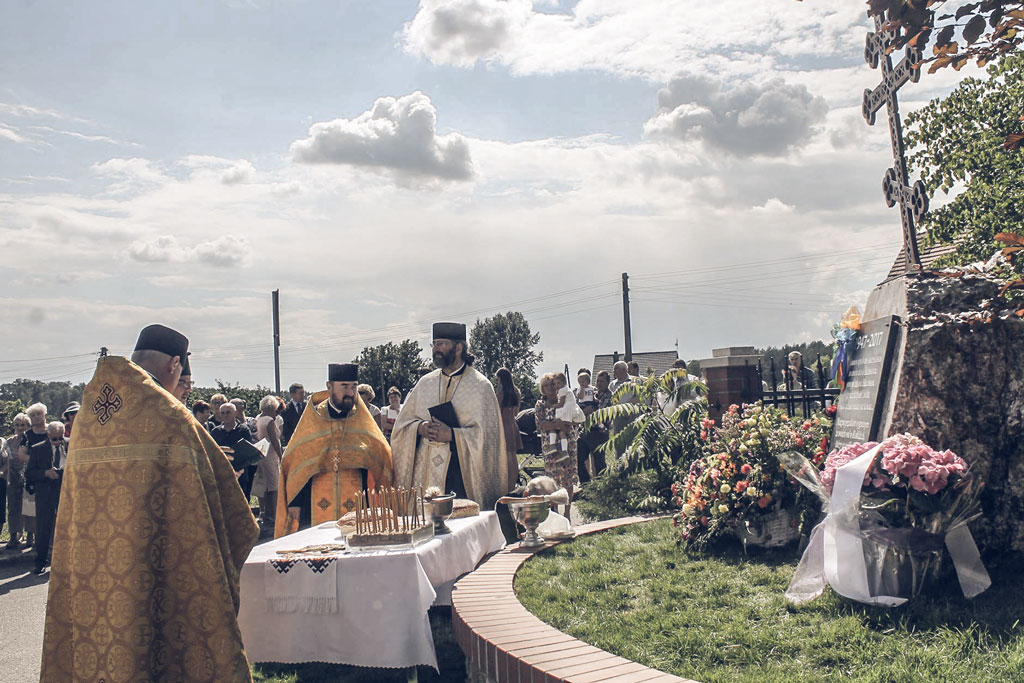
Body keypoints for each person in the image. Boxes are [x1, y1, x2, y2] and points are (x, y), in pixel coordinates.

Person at [40, 323, 258, 682]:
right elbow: (234, 515)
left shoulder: (88, 419)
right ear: (175, 365)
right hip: (154, 567)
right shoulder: (171, 416)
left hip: (89, 574)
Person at [391, 322, 509, 509]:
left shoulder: (480, 386)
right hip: (425, 473)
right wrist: (420, 428)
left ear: (459, 347)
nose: (436, 349)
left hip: (460, 473)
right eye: (434, 344)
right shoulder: (425, 383)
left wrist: (453, 435)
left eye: (441, 344)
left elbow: (489, 439)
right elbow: (401, 425)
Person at [275, 363, 393, 537]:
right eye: (344, 386)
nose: (350, 392)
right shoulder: (314, 420)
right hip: (315, 504)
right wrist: (295, 504)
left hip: (358, 501)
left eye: (354, 387)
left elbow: (381, 458)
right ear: (329, 387)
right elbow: (297, 464)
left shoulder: (361, 420)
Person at [534, 373, 579, 518]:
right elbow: (540, 424)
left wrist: (564, 424)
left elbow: (574, 417)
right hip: (550, 445)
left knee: (567, 477)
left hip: (567, 442)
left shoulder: (565, 399)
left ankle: (567, 511)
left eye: (552, 384)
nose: (550, 388)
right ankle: (555, 512)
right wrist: (555, 424)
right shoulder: (540, 404)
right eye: (546, 385)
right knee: (553, 479)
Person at [25, 421, 67, 574]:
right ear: (48, 436)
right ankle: (40, 561)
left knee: (67, 527)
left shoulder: (70, 445)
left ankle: (66, 560)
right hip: (45, 493)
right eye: (53, 439)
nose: (57, 442)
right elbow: (29, 473)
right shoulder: (37, 449)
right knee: (43, 527)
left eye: (60, 438)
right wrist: (45, 473)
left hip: (65, 492)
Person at [19, 402, 49, 548]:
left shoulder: (53, 431)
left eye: (39, 414)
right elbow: (21, 454)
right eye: (33, 415)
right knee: (32, 508)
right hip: (33, 475)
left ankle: (49, 539)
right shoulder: (27, 435)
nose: (36, 417)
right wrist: (37, 462)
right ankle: (33, 538)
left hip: (51, 475)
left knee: (50, 507)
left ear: (45, 414)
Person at [211, 402, 256, 499]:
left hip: (241, 472)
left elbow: (248, 450)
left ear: (235, 413)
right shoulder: (215, 432)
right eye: (222, 413)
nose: (225, 415)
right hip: (221, 473)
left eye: (228, 412)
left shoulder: (243, 430)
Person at [254, 395, 282, 532]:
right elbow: (275, 440)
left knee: (266, 486)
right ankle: (275, 514)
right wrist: (281, 455)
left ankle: (267, 513)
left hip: (263, 454)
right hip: (271, 455)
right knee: (274, 485)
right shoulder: (270, 421)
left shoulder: (259, 419)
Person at [3, 413, 29, 549]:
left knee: (28, 507)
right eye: (17, 425)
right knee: (13, 507)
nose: (20, 428)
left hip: (28, 476)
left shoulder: (31, 439)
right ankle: (13, 536)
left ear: (28, 426)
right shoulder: (9, 441)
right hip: (12, 477)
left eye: (23, 425)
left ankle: (27, 535)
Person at [495, 368, 522, 488]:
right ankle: (513, 483)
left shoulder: (501, 392)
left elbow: (497, 411)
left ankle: (507, 485)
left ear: (500, 378)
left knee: (506, 456)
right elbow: (516, 412)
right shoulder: (516, 391)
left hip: (503, 425)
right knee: (513, 456)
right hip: (512, 424)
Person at [547, 372, 583, 456]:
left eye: (558, 383)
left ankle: (552, 445)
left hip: (565, 411)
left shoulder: (562, 390)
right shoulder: (567, 390)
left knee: (553, 426)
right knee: (562, 432)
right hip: (569, 410)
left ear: (564, 382)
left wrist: (552, 405)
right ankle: (564, 451)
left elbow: (561, 404)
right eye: (555, 384)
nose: (557, 386)